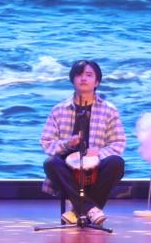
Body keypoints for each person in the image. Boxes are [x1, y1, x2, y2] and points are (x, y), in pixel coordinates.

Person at [40, 59, 126, 226]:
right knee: (50, 163)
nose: (83, 78)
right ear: (73, 80)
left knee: (116, 163)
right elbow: (46, 142)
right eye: (79, 75)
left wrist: (98, 153)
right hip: (68, 167)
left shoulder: (109, 110)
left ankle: (77, 211)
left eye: (89, 75)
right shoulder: (58, 110)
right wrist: (67, 144)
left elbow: (118, 143)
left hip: (96, 166)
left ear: (97, 82)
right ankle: (90, 209)